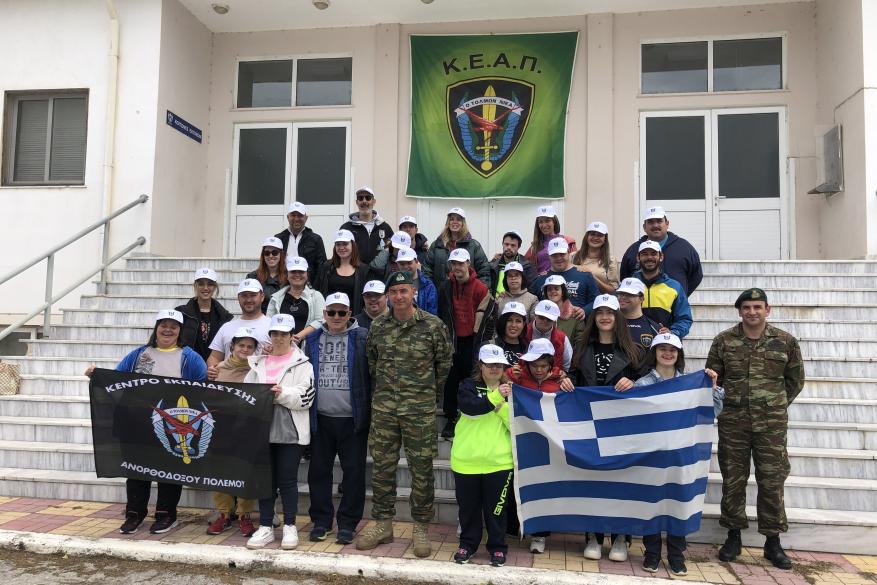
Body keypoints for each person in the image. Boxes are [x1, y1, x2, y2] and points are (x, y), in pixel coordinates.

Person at [706, 288, 805, 570]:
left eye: (757, 307)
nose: (752, 312)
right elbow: (713, 381)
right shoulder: (723, 341)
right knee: (733, 480)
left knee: (772, 481)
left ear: (767, 310)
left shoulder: (785, 342)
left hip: (771, 425)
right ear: (740, 311)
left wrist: (773, 403)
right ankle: (733, 536)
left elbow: (795, 380)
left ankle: (772, 542)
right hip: (733, 423)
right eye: (747, 307)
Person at [84, 310, 208, 535]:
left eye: (173, 326)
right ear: (156, 328)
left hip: (171, 423)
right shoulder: (138, 354)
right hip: (137, 421)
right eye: (163, 325)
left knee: (170, 470)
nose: (168, 330)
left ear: (180, 331)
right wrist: (98, 375)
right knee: (137, 469)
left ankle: (166, 514)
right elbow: (117, 379)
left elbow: (202, 387)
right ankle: (134, 513)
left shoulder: (190, 358)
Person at [356, 271, 452, 558]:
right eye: (394, 292)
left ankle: (420, 527)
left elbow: (443, 365)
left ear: (413, 293)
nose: (399, 296)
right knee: (382, 469)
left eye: (404, 291)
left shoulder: (432, 325)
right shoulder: (378, 326)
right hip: (385, 409)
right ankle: (383, 524)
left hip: (419, 411)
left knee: (421, 471)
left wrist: (426, 395)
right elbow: (372, 363)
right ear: (388, 296)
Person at [633, 332, 724, 576]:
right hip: (652, 457)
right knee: (652, 505)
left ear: (679, 354)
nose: (667, 353)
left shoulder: (691, 384)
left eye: (672, 349)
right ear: (654, 353)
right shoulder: (642, 385)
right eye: (662, 349)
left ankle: (676, 554)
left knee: (679, 504)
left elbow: (713, 411)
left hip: (682, 456)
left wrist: (712, 388)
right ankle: (652, 553)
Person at [571, 294, 645, 563]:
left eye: (610, 313)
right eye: (600, 312)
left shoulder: (635, 351)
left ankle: (621, 537)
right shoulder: (581, 348)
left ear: (618, 318)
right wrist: (567, 380)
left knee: (620, 482)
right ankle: (593, 535)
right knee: (592, 481)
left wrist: (634, 383)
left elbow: (648, 382)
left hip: (621, 427)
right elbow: (574, 376)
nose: (604, 317)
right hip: (589, 425)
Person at [302, 293, 371, 546]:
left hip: (352, 419)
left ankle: (348, 524)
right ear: (324, 314)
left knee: (353, 473)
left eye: (342, 312)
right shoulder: (312, 339)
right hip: (321, 418)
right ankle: (321, 521)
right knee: (319, 472)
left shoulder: (362, 337)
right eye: (331, 312)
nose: (336, 317)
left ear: (349, 313)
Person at [244, 314, 316, 550]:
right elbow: (246, 393)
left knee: (287, 480)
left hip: (290, 430)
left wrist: (281, 393)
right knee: (266, 480)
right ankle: (266, 526)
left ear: (291, 335)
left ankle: (290, 526)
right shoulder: (258, 363)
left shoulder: (303, 364)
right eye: (274, 333)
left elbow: (306, 397)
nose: (279, 338)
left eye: (284, 333)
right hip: (261, 428)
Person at [503, 338, 574, 554]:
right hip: (521, 442)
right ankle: (513, 528)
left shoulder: (560, 381)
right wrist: (507, 376)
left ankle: (539, 535)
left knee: (543, 488)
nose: (539, 370)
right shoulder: (517, 377)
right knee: (517, 484)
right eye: (534, 365)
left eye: (543, 365)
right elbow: (498, 388)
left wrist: (568, 385)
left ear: (552, 364)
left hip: (548, 446)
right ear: (527, 363)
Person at [451, 344, 514, 567]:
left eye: (499, 365)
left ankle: (497, 547)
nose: (495, 368)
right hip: (466, 461)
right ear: (481, 365)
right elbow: (470, 409)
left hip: (499, 462)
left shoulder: (512, 391)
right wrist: (496, 399)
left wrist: (500, 406)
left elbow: (516, 424)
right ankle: (467, 545)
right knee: (468, 509)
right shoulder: (467, 386)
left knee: (496, 510)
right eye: (490, 364)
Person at [437, 248, 497, 439]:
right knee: (451, 380)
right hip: (453, 340)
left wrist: (482, 342)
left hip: (473, 341)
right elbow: (442, 313)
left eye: (461, 263)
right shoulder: (446, 286)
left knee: (471, 379)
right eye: (454, 263)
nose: (457, 267)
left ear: (468, 264)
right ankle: (451, 417)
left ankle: (469, 413)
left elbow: (489, 317)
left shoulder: (480, 288)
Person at [207, 327, 260, 538]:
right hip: (222, 428)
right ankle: (224, 514)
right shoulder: (217, 369)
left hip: (248, 429)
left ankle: (244, 515)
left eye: (250, 346)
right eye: (241, 345)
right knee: (221, 471)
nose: (245, 350)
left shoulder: (258, 370)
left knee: (246, 472)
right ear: (232, 346)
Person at [619, 206, 703, 296]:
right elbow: (625, 278)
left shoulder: (684, 248)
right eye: (650, 222)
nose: (655, 225)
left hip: (675, 304)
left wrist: (680, 296)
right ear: (644, 227)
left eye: (659, 221)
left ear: (667, 224)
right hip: (641, 304)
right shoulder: (633, 250)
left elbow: (696, 276)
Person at [206, 279, 272, 380]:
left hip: (260, 384)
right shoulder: (226, 327)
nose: (248, 300)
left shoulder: (272, 326)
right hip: (230, 385)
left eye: (253, 295)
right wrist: (212, 369)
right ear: (238, 298)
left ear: (262, 297)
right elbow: (214, 357)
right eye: (244, 296)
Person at [631, 241, 693, 339]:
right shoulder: (629, 285)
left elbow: (684, 319)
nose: (649, 257)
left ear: (661, 257)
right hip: (633, 342)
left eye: (653, 254)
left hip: (663, 343)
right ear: (638, 258)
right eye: (644, 254)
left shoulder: (674, 287)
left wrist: (673, 332)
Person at [422, 207, 491, 289]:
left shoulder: (474, 246)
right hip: (441, 293)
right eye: (452, 219)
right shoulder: (437, 245)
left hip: (466, 293)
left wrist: (479, 292)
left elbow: (484, 272)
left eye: (458, 219)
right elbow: (426, 271)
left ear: (463, 223)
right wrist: (431, 291)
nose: (455, 222)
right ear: (448, 223)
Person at [175, 267, 233, 362]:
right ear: (195, 286)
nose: (205, 288)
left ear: (215, 287)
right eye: (201, 284)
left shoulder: (224, 317)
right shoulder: (181, 313)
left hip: (215, 367)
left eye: (210, 284)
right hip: (188, 366)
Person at [529, 238, 599, 313]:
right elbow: (530, 303)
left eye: (562, 254)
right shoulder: (540, 280)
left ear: (568, 252)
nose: (559, 258)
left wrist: (584, 311)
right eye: (554, 255)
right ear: (548, 256)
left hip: (577, 320)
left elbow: (597, 301)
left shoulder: (584, 275)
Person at [266, 256, 326, 343]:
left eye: (301, 271)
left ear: (307, 274)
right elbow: (269, 323)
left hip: (308, 347)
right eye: (293, 271)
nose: (297, 274)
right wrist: (286, 339)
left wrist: (298, 336)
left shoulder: (316, 296)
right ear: (287, 275)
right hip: (282, 346)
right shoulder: (276, 298)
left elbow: (321, 321)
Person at [313, 229, 370, 318]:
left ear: (353, 245)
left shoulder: (363, 270)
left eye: (345, 244)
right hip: (330, 318)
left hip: (353, 319)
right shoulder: (326, 267)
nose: (341, 247)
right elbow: (317, 292)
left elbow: (366, 298)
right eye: (338, 244)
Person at [275, 201, 327, 281]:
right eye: (293, 215)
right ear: (288, 217)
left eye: (300, 215)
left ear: (306, 218)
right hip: (282, 284)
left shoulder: (316, 239)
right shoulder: (278, 239)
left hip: (308, 285)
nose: (296, 219)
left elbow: (322, 268)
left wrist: (315, 286)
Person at [340, 186, 389, 265]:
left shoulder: (384, 227)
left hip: (379, 272)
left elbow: (392, 252)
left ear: (374, 201)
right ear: (357, 202)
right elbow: (339, 252)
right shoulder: (346, 228)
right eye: (360, 198)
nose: (364, 201)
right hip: (355, 271)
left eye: (368, 198)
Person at [523, 206, 577, 276]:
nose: (544, 225)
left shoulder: (568, 241)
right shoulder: (535, 246)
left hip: (566, 280)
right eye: (540, 222)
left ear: (554, 221)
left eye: (547, 221)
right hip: (544, 281)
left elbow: (576, 264)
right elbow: (525, 267)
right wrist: (538, 276)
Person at [524, 300, 573, 372]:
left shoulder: (562, 338)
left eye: (549, 319)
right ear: (535, 315)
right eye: (541, 317)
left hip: (553, 377)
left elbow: (566, 366)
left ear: (555, 320)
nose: (545, 321)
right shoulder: (523, 333)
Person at [573, 221, 620, 294]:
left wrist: (592, 277)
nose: (595, 238)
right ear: (587, 237)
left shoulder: (611, 260)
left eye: (600, 235)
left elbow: (613, 291)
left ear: (605, 239)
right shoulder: (574, 256)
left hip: (599, 300)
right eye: (592, 234)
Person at [616, 277, 661, 350]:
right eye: (621, 293)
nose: (623, 297)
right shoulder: (608, 323)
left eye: (629, 294)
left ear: (641, 298)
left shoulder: (654, 328)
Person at [489, 230, 538, 296]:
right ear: (502, 244)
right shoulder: (492, 265)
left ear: (519, 247)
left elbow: (532, 290)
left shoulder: (527, 266)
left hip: (519, 301)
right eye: (506, 244)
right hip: (497, 301)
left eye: (513, 245)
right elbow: (488, 288)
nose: (509, 247)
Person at [247, 236, 288, 314]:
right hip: (260, 317)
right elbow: (248, 301)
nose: (271, 256)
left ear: (281, 255)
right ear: (263, 256)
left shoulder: (289, 277)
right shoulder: (253, 277)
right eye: (267, 253)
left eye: (275, 253)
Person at [541, 274, 585, 342]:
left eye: (556, 288)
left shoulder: (576, 313)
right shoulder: (540, 313)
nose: (553, 291)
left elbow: (580, 341)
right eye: (549, 289)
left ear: (563, 292)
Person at [395, 246, 438, 315]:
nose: (405, 267)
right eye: (402, 264)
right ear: (397, 264)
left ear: (416, 262)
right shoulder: (393, 285)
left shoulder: (428, 285)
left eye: (409, 263)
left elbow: (432, 313)